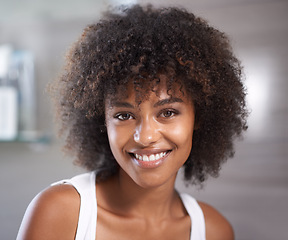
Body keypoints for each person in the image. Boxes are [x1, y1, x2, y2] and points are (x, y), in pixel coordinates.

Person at [17, 4, 248, 240]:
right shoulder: (60, 213)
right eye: (124, 116)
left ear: (198, 116)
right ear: (103, 121)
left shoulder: (213, 231)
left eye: (167, 112)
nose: (145, 136)